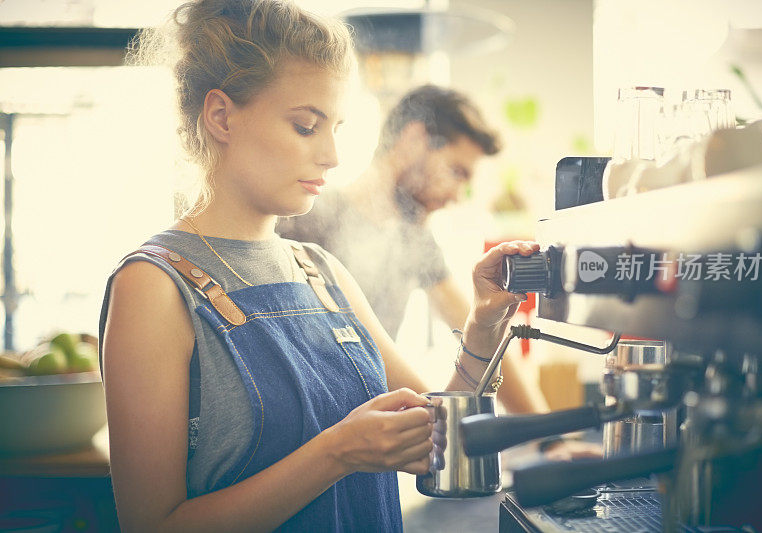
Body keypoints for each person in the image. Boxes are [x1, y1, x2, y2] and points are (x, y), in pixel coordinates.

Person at [99, 1, 538, 530]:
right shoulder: (155, 285)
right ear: (221, 117)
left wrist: (485, 325)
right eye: (307, 126)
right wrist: (339, 454)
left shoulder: (321, 272)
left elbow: (433, 436)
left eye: (336, 127)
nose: (331, 154)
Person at [278, 85, 545, 414]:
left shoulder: (416, 241)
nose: (458, 195)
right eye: (456, 172)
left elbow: (480, 331)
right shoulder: (307, 220)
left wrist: (549, 437)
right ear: (414, 141)